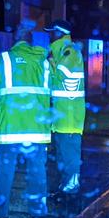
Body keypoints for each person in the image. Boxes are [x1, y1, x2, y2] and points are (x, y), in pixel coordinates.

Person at [0, 21, 51, 218]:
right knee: (37, 172)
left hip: (9, 129)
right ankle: (38, 214)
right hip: (37, 129)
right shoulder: (44, 62)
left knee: (4, 171)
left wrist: (4, 110)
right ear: (30, 41)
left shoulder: (3, 60)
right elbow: (48, 93)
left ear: (15, 40)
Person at [44, 20, 86, 195]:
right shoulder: (61, 50)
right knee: (63, 153)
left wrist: (51, 63)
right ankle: (66, 184)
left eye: (51, 31)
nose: (49, 35)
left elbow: (63, 75)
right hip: (62, 115)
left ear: (59, 32)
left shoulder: (70, 51)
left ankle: (72, 183)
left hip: (69, 115)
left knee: (70, 153)